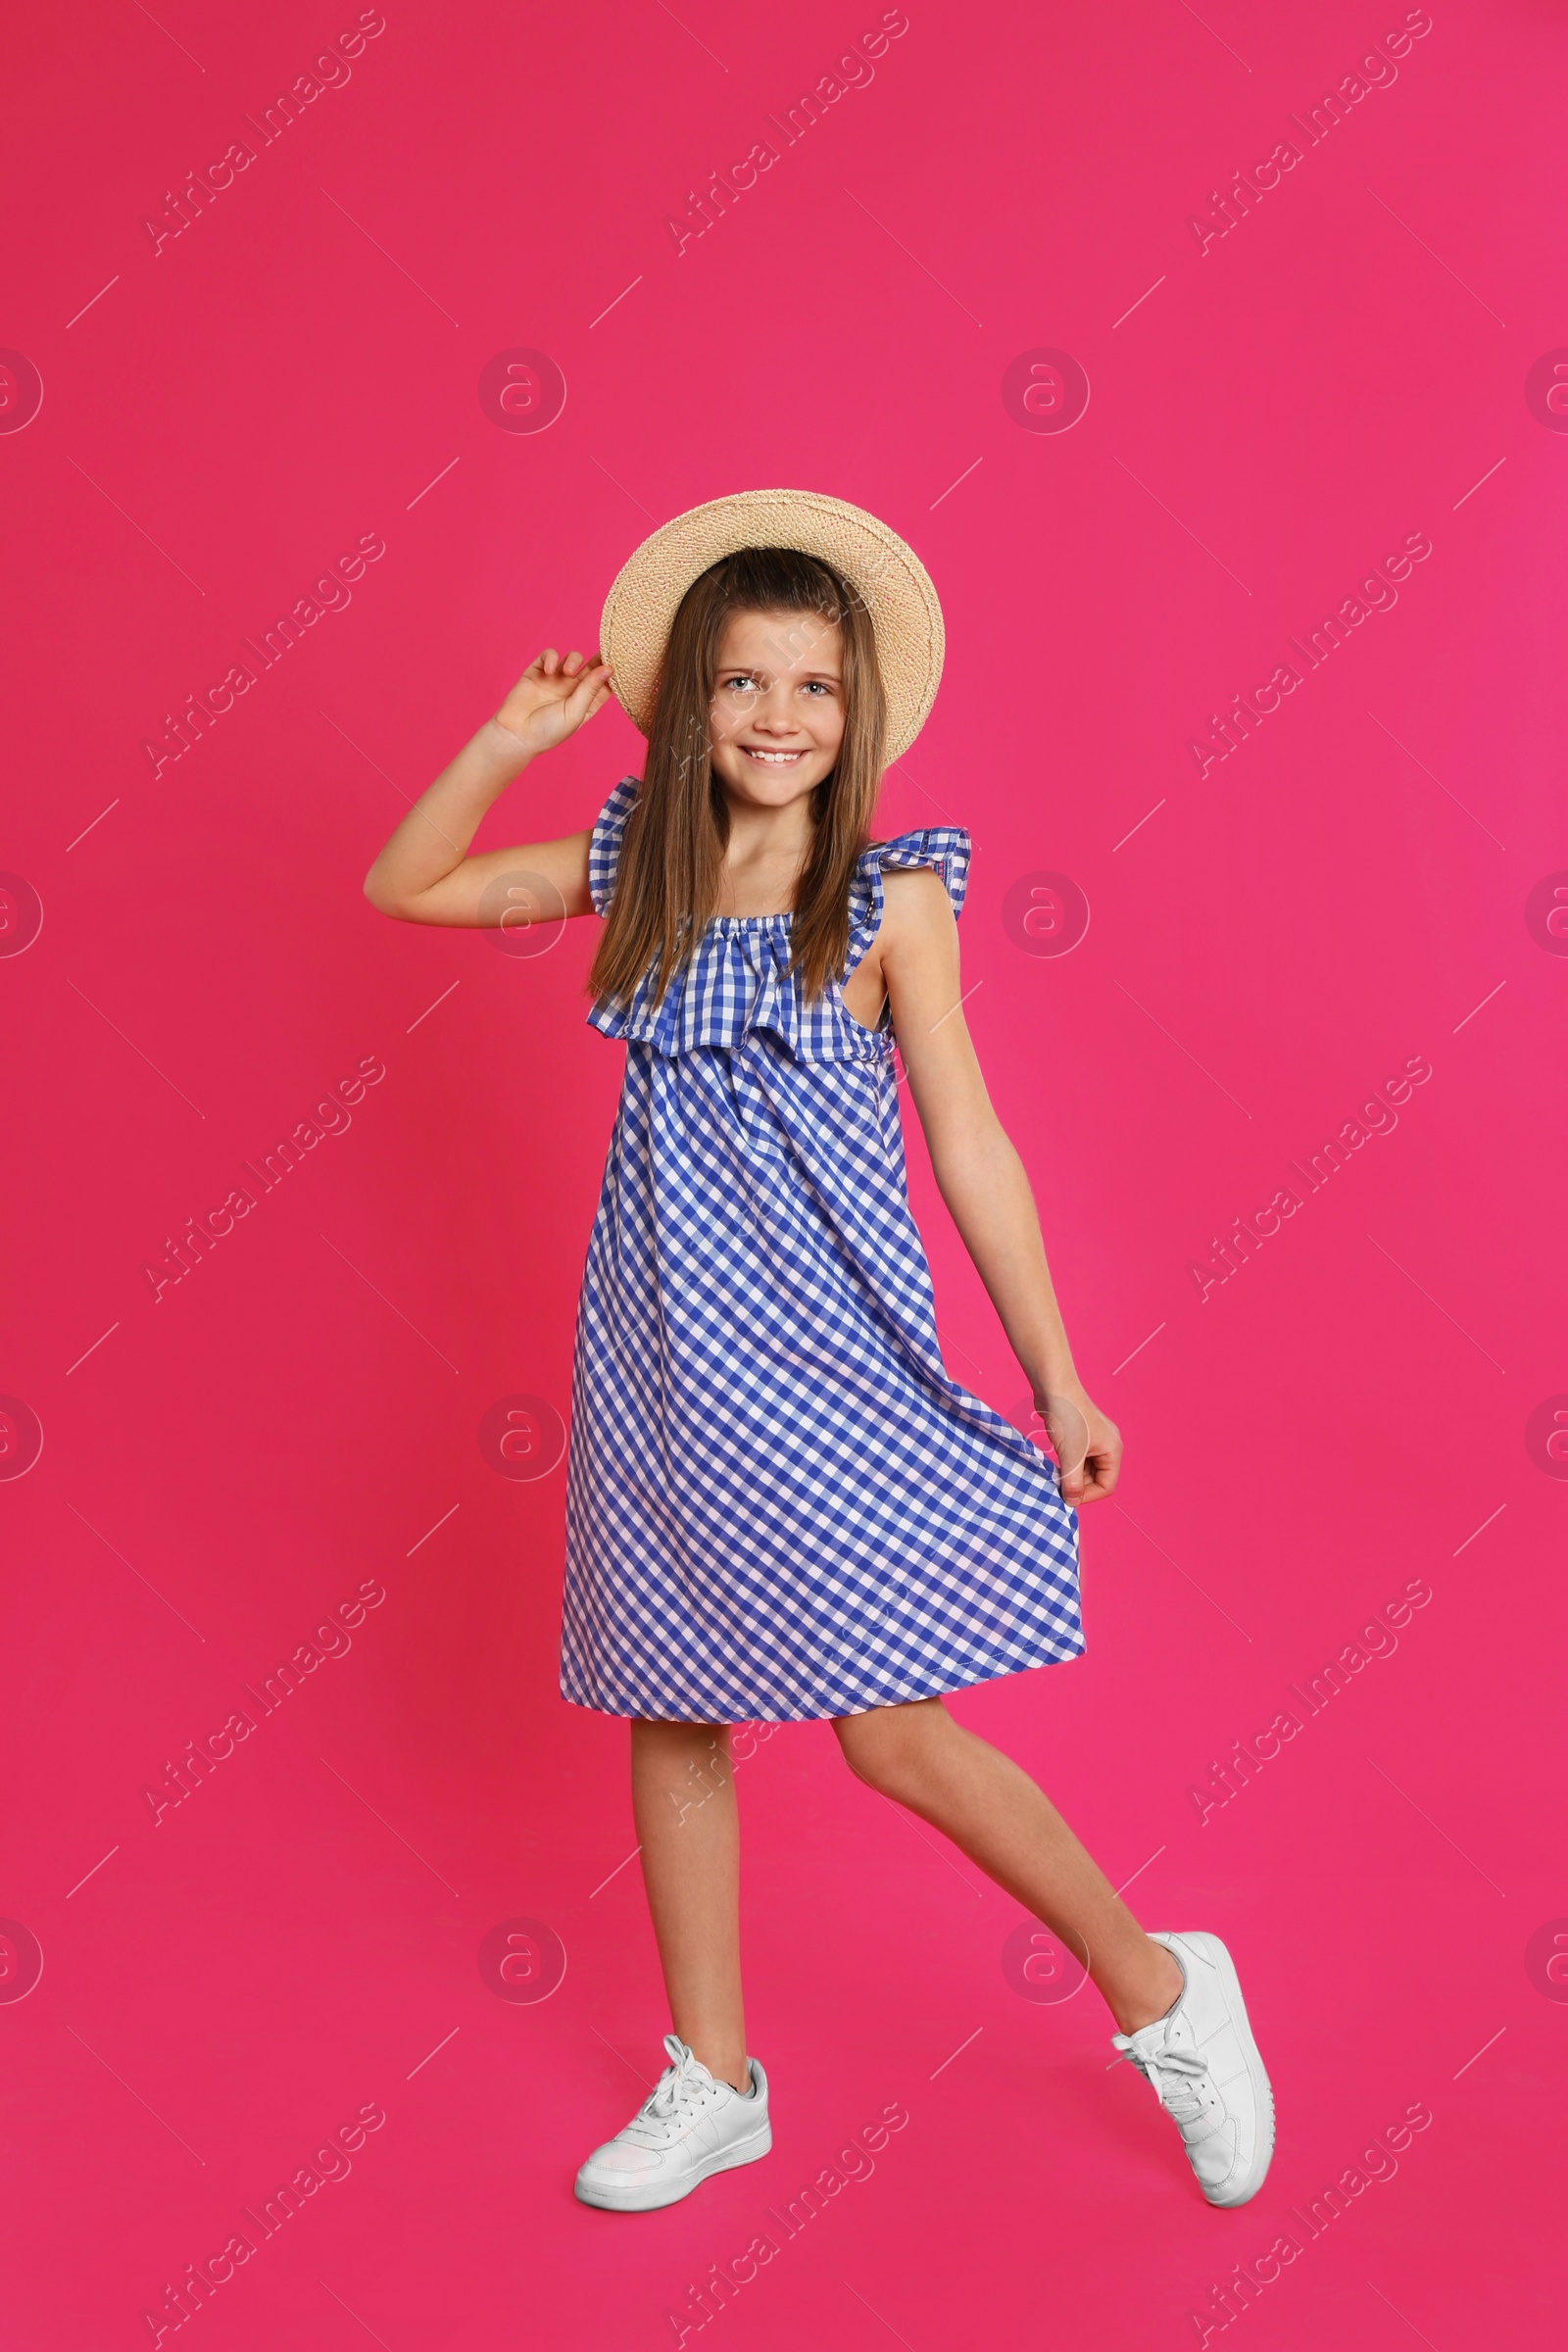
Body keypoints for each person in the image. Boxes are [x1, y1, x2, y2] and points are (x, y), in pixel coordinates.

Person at [364, 489, 1273, 2215]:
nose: (779, 718)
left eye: (815, 689)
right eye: (743, 683)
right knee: (670, 1698)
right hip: (656, 1362)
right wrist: (506, 736)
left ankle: (1164, 1987)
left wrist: (1057, 1375)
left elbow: (973, 1150)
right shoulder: (634, 864)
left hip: (829, 1360)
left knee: (887, 1730)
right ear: (687, 699)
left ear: (858, 717)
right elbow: (403, 884)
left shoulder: (886, 902)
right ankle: (713, 2077)